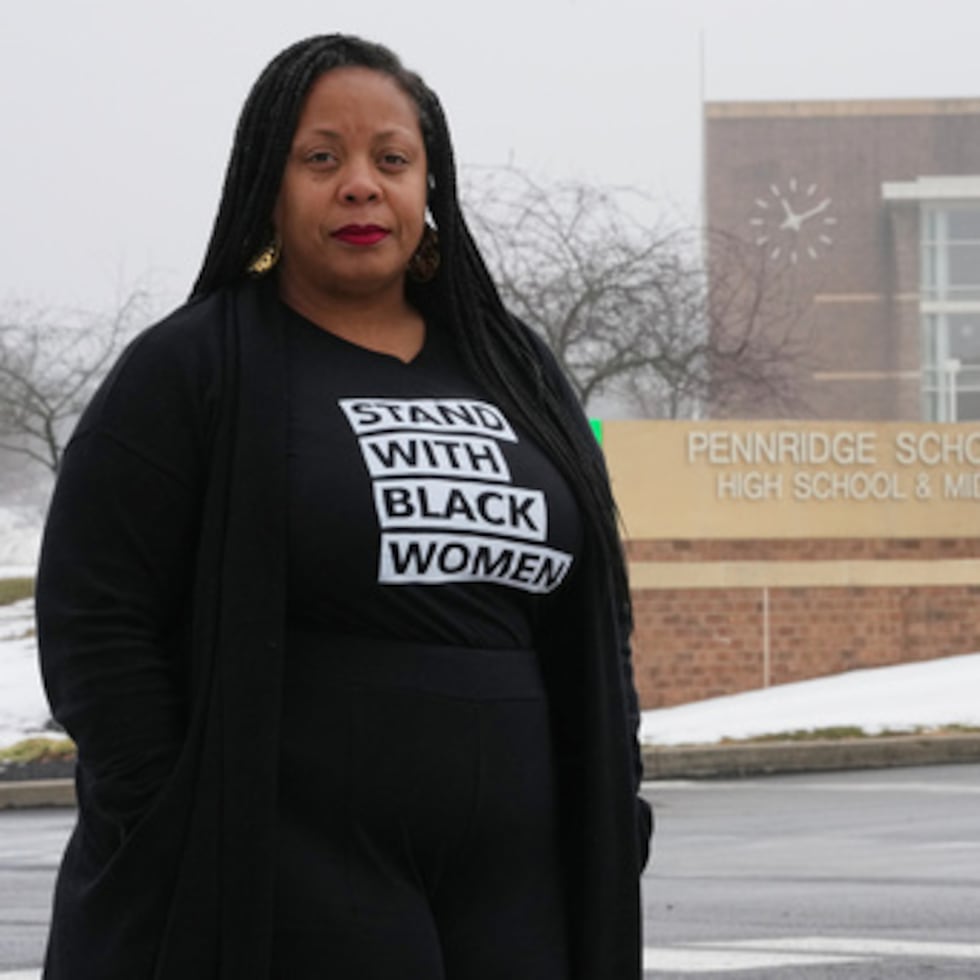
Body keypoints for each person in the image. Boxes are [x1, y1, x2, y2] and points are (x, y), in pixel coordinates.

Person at [36, 34, 652, 980]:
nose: (361, 185)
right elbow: (95, 615)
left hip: (522, 875)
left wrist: (622, 794)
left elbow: (598, 610)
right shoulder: (194, 366)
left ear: (428, 186)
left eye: (392, 160)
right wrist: (167, 808)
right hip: (291, 870)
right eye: (321, 158)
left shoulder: (514, 366)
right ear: (268, 187)